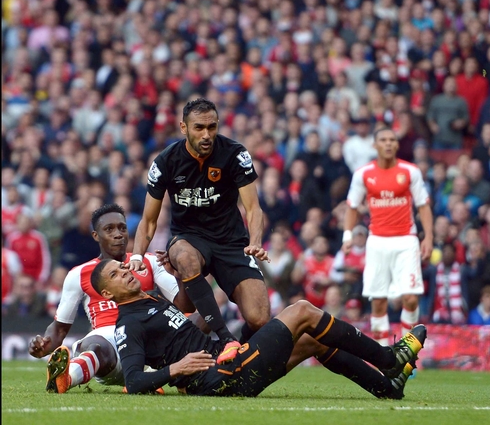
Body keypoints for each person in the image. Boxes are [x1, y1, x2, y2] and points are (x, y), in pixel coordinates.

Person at [90, 258, 424, 398]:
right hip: (221, 377)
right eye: (117, 275)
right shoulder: (129, 323)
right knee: (302, 312)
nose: (126, 272)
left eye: (123, 267)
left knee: (313, 340)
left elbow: (178, 334)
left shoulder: (149, 301)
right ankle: (389, 359)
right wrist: (176, 369)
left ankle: (388, 387)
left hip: (226, 365)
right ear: (107, 293)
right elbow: (133, 381)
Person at [130, 98, 270, 363]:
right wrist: (137, 255)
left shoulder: (235, 154)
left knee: (260, 317)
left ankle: (232, 354)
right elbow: (149, 220)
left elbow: (253, 208)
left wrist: (255, 241)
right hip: (189, 239)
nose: (207, 135)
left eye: (212, 127)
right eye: (199, 128)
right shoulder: (165, 162)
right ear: (183, 127)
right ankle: (225, 338)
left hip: (232, 242)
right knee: (183, 257)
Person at [28, 204, 188, 393]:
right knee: (94, 346)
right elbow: (60, 328)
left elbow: (185, 305)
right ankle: (66, 377)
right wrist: (44, 344)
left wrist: (181, 274)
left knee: (201, 315)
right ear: (96, 235)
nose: (118, 234)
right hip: (111, 346)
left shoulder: (149, 262)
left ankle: (152, 376)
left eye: (122, 228)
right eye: (109, 229)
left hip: (150, 342)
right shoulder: (79, 274)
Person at [343, 127, 433, 345]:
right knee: (379, 303)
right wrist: (347, 236)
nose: (388, 143)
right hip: (377, 242)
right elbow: (352, 206)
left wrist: (428, 237)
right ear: (375, 145)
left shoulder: (410, 171)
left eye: (392, 140)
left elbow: (423, 205)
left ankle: (406, 350)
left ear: (397, 144)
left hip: (406, 240)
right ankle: (384, 356)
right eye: (383, 140)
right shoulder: (363, 174)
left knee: (411, 299)